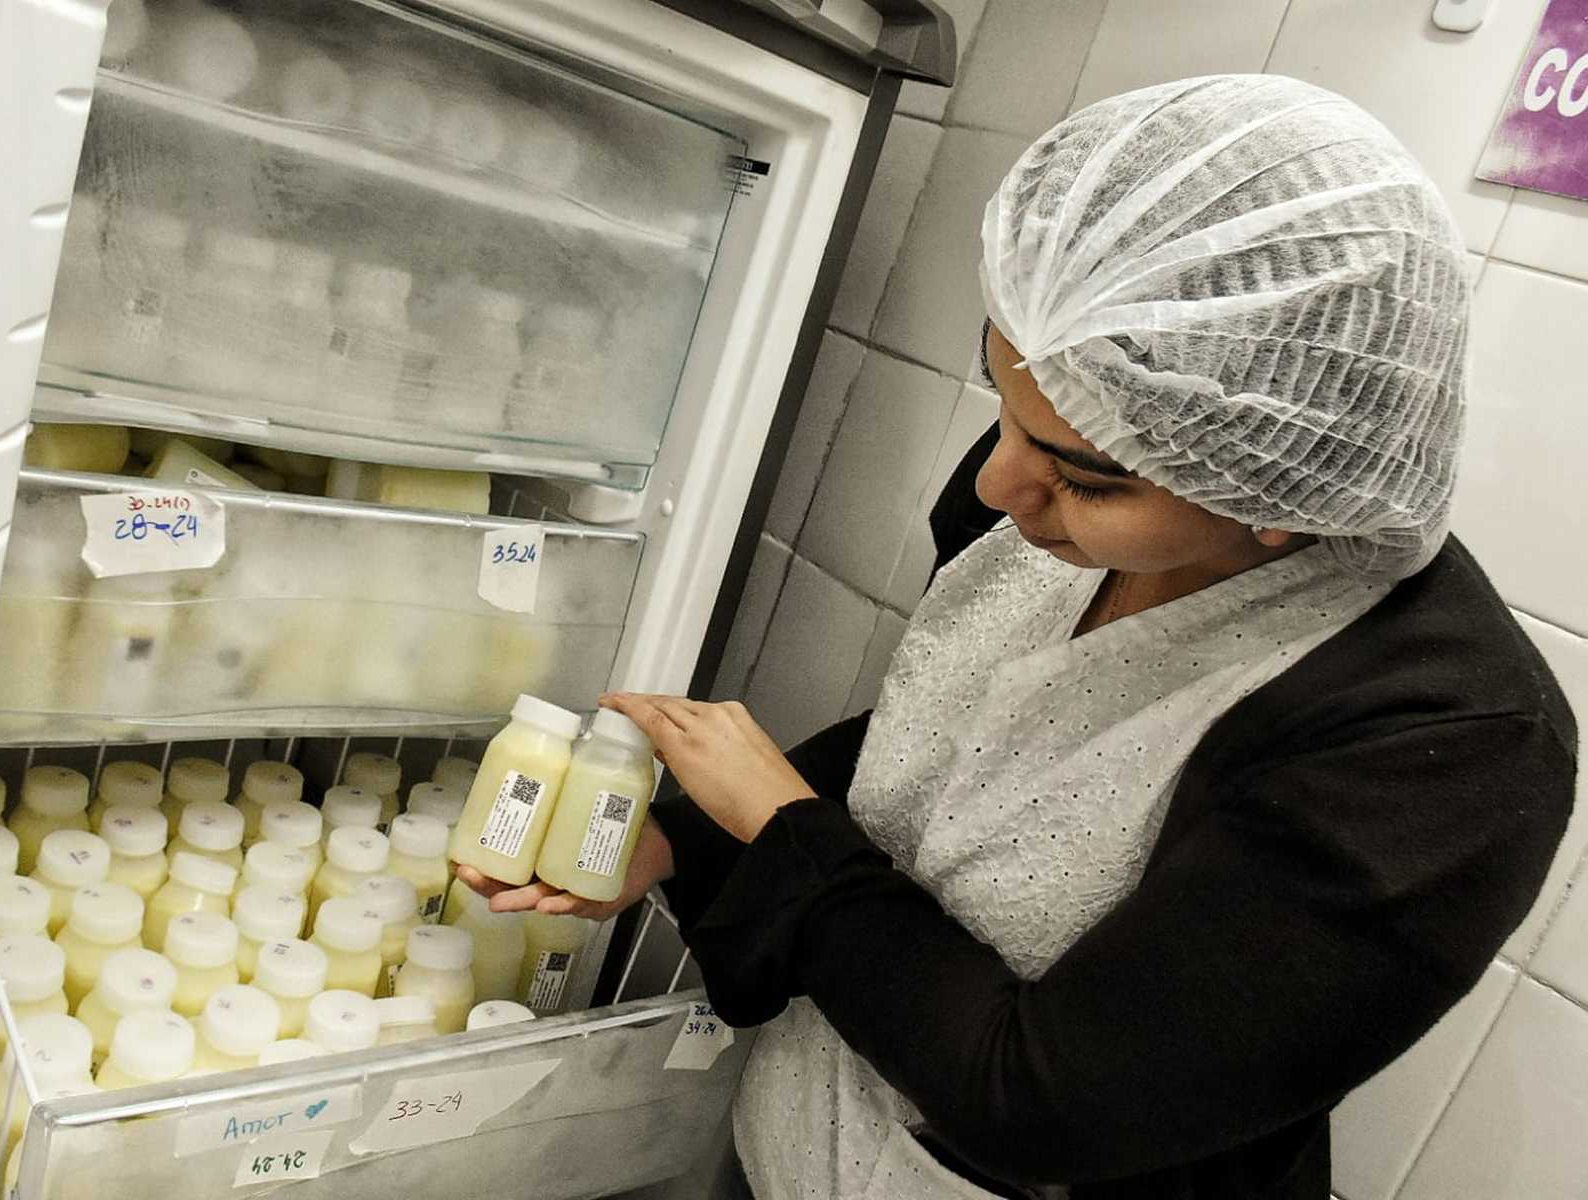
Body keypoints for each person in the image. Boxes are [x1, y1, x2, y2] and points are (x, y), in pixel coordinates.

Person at [459, 75, 1578, 1199]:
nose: (998, 484)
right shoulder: (1058, 476)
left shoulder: (1449, 744)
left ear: (1272, 495)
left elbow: (1053, 1102)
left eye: (1083, 478)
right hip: (801, 1145)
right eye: (1001, 399)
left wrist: (787, 834)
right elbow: (956, 730)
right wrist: (686, 841)